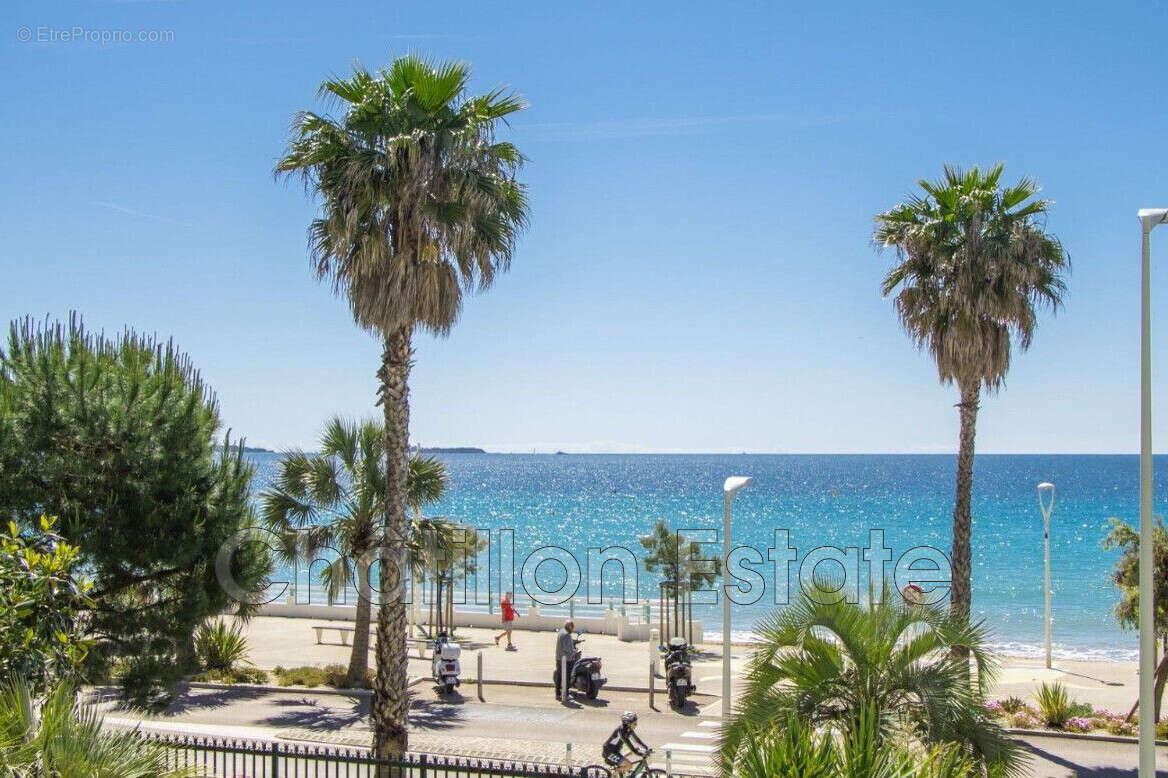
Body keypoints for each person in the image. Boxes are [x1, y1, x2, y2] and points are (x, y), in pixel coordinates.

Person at [553, 619, 575, 700]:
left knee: (559, 676)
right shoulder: (566, 635)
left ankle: (557, 693)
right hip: (566, 659)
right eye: (572, 627)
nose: (573, 629)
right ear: (569, 626)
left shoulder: (561, 632)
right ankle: (565, 694)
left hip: (559, 657)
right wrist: (573, 651)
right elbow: (567, 648)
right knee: (567, 677)